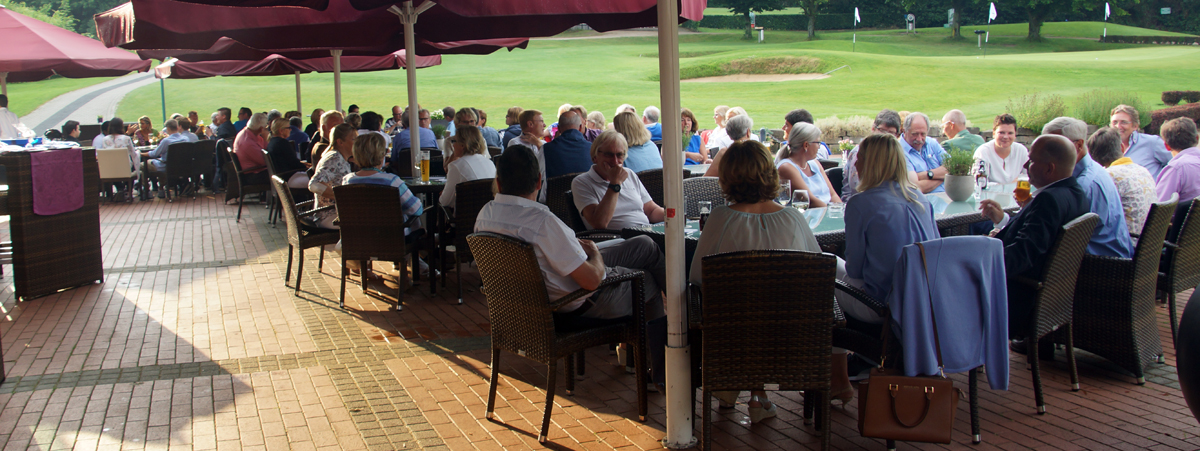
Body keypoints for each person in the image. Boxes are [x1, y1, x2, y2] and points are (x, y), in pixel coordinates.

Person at [476, 145, 668, 387]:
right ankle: (659, 374)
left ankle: (679, 311)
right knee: (647, 281)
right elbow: (592, 281)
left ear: (499, 182)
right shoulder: (542, 222)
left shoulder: (485, 214)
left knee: (644, 245)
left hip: (537, 294)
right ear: (538, 181)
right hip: (576, 303)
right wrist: (594, 254)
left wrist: (573, 247)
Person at [689, 139, 825, 419]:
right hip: (791, 336)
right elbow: (817, 271)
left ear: (727, 178)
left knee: (737, 305)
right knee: (768, 302)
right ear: (770, 174)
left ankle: (738, 388)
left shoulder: (720, 218)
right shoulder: (794, 219)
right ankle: (756, 393)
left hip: (732, 337)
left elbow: (697, 277)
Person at [840, 133, 941, 395]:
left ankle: (835, 370)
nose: (855, 164)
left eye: (859, 158)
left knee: (824, 266)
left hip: (884, 306)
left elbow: (855, 269)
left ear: (870, 163)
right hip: (924, 302)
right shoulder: (920, 198)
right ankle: (861, 359)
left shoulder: (861, 203)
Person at [980, 135, 1089, 335]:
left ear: (1049, 168)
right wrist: (1003, 220)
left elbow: (1023, 255)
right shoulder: (1076, 194)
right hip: (1053, 299)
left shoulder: (1048, 200)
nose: (1025, 165)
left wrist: (979, 263)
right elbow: (1035, 236)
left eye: (1031, 161)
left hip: (1018, 300)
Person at [1043, 116, 1133, 258]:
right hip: (1112, 254)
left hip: (1100, 264)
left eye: (1055, 147)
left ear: (1078, 145)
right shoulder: (1095, 169)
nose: (1046, 154)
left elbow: (1060, 242)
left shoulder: (1082, 186)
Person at [342, 133, 429, 278]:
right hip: (392, 238)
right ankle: (416, 263)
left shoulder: (347, 181)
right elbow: (416, 209)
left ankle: (415, 264)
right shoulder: (391, 181)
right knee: (413, 221)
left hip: (359, 238)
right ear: (382, 156)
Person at [572, 130, 665, 230]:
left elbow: (651, 211)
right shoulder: (582, 182)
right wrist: (615, 183)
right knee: (646, 240)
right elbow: (599, 223)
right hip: (615, 239)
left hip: (646, 232)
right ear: (595, 157)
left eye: (619, 155)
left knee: (676, 234)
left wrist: (674, 215)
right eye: (608, 155)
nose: (615, 161)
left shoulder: (629, 174)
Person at [1087, 127, 1155, 237]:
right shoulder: (1143, 170)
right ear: (1122, 148)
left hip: (1125, 245)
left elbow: (1094, 218)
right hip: (1147, 243)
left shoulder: (1107, 177)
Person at [775, 122, 841, 208]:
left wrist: (841, 211)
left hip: (827, 212)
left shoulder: (815, 163)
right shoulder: (786, 168)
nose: (819, 147)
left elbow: (832, 195)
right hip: (807, 217)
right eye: (818, 143)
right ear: (806, 145)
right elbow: (811, 201)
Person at [843, 109, 903, 200]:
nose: (884, 136)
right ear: (873, 129)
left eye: (890, 133)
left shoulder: (896, 156)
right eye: (882, 130)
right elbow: (858, 187)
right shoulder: (861, 153)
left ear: (897, 135)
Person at [309, 124, 358, 230]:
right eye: (354, 139)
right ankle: (343, 245)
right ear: (340, 142)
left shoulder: (341, 158)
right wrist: (340, 197)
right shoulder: (334, 158)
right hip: (328, 215)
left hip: (339, 212)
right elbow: (313, 184)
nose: (357, 143)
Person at [440, 125, 496, 211]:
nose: (453, 145)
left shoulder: (455, 166)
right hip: (487, 216)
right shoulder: (489, 163)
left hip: (464, 220)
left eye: (454, 141)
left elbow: (445, 202)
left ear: (462, 145)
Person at [1111, 104, 1172, 178]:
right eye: (1115, 122)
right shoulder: (1106, 147)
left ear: (1135, 126)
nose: (1118, 126)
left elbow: (1175, 165)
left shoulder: (1152, 143)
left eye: (1124, 122)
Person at [972, 113, 1029, 184]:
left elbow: (1028, 177)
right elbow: (979, 182)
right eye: (1001, 132)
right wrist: (1010, 184)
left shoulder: (1021, 151)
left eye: (1010, 133)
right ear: (993, 133)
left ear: (1015, 135)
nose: (1005, 137)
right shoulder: (983, 152)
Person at [1155, 117, 1200, 204]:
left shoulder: (1177, 169)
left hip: (1182, 217)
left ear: (1166, 146)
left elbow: (1159, 208)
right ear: (1197, 138)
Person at [900, 112, 948, 194]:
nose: (919, 139)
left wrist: (926, 175)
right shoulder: (899, 152)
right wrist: (944, 177)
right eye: (914, 134)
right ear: (904, 131)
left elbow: (952, 167)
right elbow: (916, 187)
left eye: (923, 134)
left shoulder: (932, 143)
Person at [507, 109, 549, 201]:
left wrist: (538, 144)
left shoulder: (542, 143)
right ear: (530, 124)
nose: (544, 125)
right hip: (526, 192)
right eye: (541, 121)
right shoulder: (515, 143)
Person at [141, 119, 190, 198]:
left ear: (168, 129)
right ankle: (160, 188)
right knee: (160, 164)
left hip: (165, 166)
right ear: (177, 127)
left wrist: (141, 154)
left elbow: (154, 154)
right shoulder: (185, 139)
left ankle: (147, 190)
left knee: (142, 166)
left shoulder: (166, 141)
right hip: (180, 166)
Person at [543, 110, 593, 178]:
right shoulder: (592, 149)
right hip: (584, 188)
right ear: (580, 128)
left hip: (556, 188)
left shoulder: (546, 149)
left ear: (559, 129)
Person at [267, 118, 310, 189]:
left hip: (282, 177)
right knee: (318, 181)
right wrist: (309, 168)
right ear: (281, 131)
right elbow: (294, 163)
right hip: (288, 178)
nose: (290, 130)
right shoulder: (282, 143)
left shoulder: (272, 142)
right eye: (289, 128)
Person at [233, 113, 270, 186]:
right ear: (261, 128)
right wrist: (266, 139)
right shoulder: (247, 141)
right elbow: (266, 161)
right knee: (280, 174)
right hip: (252, 175)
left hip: (254, 171)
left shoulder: (250, 134)